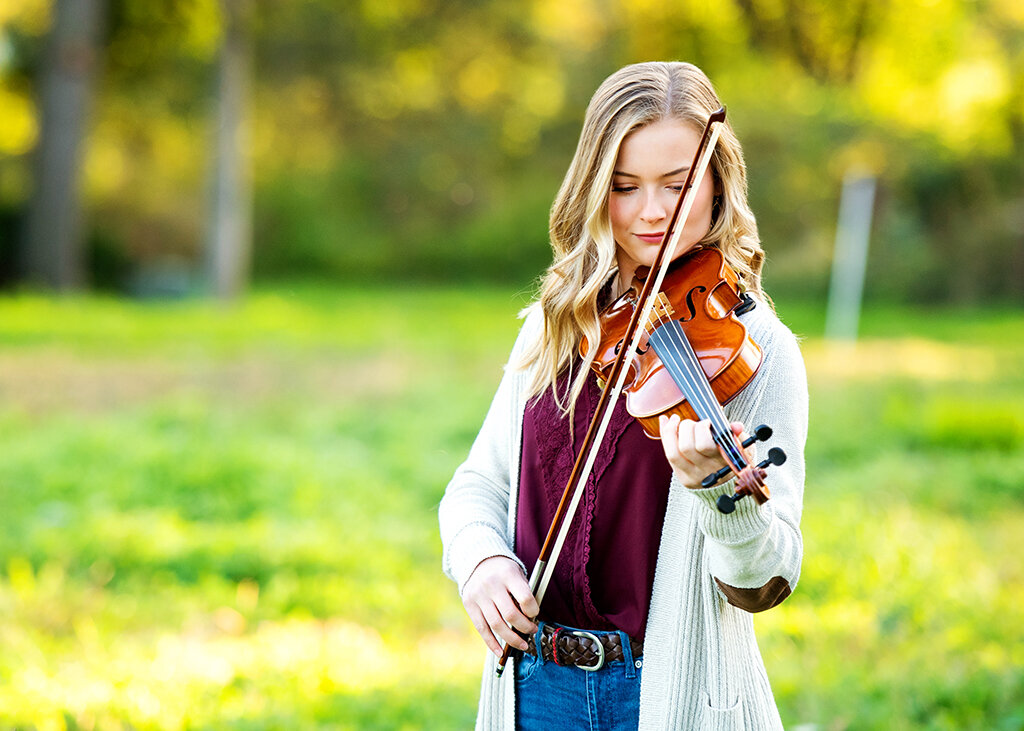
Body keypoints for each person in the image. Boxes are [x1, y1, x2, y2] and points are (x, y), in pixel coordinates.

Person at [439, 61, 808, 731]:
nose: (652, 210)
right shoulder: (558, 324)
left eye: (677, 184)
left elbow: (769, 575)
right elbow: (476, 485)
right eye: (625, 185)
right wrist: (482, 561)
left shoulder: (756, 347)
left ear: (718, 181)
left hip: (667, 695)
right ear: (592, 189)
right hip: (535, 686)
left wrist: (717, 493)